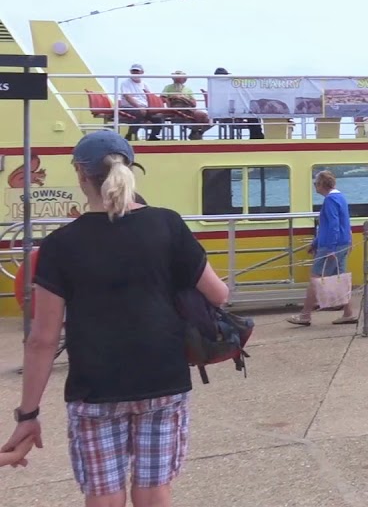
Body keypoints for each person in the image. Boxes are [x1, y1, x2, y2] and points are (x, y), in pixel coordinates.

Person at [0, 130, 229, 504]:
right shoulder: (167, 224)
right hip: (163, 381)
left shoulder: (60, 245)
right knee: (154, 490)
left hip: (95, 388)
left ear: (80, 173)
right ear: (129, 169)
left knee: (103, 494)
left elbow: (42, 340)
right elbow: (219, 294)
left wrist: (28, 414)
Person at [288, 171, 357, 326]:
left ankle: (305, 315)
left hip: (331, 246)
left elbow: (332, 225)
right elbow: (337, 224)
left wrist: (328, 247)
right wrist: (315, 243)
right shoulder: (340, 198)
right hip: (342, 243)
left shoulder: (330, 201)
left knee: (315, 279)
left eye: (315, 184)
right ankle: (348, 313)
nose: (315, 187)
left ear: (321, 184)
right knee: (340, 278)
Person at [160, 71, 211, 140]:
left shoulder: (188, 89)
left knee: (207, 118)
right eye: (176, 77)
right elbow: (163, 98)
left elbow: (194, 104)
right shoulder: (168, 87)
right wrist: (173, 98)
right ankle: (195, 132)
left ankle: (197, 132)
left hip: (188, 108)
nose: (177, 79)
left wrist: (184, 98)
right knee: (190, 117)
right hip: (176, 109)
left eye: (179, 77)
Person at [119, 64, 162, 141]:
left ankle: (153, 136)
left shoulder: (145, 84)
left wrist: (151, 108)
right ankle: (130, 135)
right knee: (138, 113)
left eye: (137, 71)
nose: (135, 73)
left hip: (144, 107)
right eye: (133, 71)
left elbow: (150, 97)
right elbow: (128, 97)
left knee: (158, 117)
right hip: (129, 107)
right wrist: (139, 107)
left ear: (141, 72)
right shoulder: (125, 83)